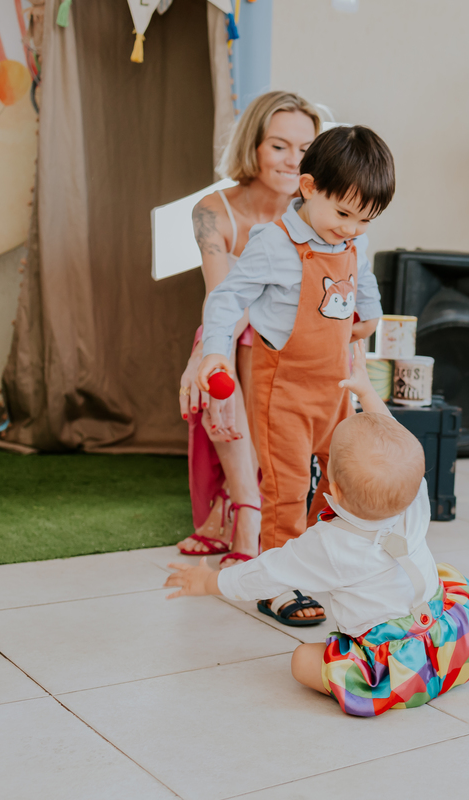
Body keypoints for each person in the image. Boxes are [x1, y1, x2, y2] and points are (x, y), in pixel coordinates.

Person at [164, 340, 469, 716]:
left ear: (333, 489)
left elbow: (264, 573)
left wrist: (208, 583)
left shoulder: (330, 544)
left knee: (302, 660)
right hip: (443, 631)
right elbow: (394, 438)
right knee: (443, 577)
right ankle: (438, 667)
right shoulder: (415, 503)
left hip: (388, 662)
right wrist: (367, 391)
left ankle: (400, 684)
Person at [196, 125, 388, 626]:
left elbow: (361, 276)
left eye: (365, 220)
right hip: (283, 391)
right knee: (286, 487)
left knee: (338, 482)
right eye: (344, 214)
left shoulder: (350, 239)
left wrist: (370, 311)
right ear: (308, 189)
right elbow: (225, 299)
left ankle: (319, 565)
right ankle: (277, 583)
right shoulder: (273, 244)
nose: (351, 228)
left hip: (337, 387)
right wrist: (213, 354)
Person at [177, 91, 322, 570]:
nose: (292, 161)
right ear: (253, 146)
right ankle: (247, 508)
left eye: (305, 149)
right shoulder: (212, 211)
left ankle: (247, 510)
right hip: (238, 332)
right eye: (279, 145)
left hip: (300, 343)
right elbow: (225, 298)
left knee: (236, 341)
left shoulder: (318, 212)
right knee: (226, 342)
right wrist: (204, 355)